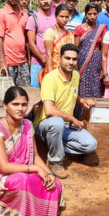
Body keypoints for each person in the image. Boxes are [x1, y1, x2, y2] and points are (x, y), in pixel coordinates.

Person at [0, 86, 62, 216]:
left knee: (54, 183)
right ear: (5, 105)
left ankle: (38, 211)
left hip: (22, 170)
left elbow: (35, 156)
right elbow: (4, 167)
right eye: (15, 104)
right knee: (23, 180)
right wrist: (37, 169)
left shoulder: (27, 125)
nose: (20, 109)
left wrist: (48, 173)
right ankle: (10, 209)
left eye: (24, 104)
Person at [34, 44, 98, 179]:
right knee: (57, 122)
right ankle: (55, 161)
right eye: (67, 58)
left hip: (64, 126)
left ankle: (56, 146)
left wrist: (81, 101)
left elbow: (72, 94)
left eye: (74, 59)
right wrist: (72, 119)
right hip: (45, 124)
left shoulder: (75, 75)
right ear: (60, 58)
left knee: (91, 145)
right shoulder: (50, 79)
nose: (71, 62)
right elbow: (49, 110)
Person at [74, 3, 107, 117]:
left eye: (95, 14)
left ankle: (95, 116)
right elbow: (76, 48)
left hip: (96, 61)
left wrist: (103, 69)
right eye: (89, 14)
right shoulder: (79, 29)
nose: (92, 16)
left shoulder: (102, 28)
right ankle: (80, 116)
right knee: (81, 88)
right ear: (86, 14)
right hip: (82, 61)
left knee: (95, 86)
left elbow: (103, 49)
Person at [0, 0, 30, 86]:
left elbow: (26, 39)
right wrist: (2, 62)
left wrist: (28, 59)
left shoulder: (25, 15)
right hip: (7, 61)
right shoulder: (2, 14)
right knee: (7, 93)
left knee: (25, 91)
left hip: (22, 60)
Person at [26, 0, 56, 88]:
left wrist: (51, 61)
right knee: (36, 95)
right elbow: (31, 44)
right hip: (37, 64)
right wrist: (44, 60)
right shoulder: (33, 19)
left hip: (55, 63)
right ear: (38, 2)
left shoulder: (57, 18)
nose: (46, 1)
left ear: (52, 0)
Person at [38, 4, 74, 84]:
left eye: (66, 17)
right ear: (56, 16)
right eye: (61, 16)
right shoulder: (50, 32)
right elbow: (49, 54)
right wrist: (51, 75)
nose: (64, 19)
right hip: (54, 69)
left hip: (67, 69)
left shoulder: (70, 34)